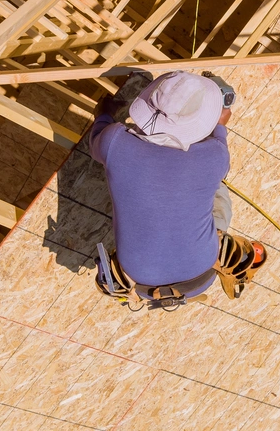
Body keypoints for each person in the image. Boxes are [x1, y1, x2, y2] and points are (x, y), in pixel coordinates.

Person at [89, 70, 263, 307]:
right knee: (218, 198)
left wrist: (104, 113)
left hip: (136, 281)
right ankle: (229, 265)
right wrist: (220, 125)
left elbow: (97, 136)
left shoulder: (114, 141)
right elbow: (218, 135)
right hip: (200, 277)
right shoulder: (215, 156)